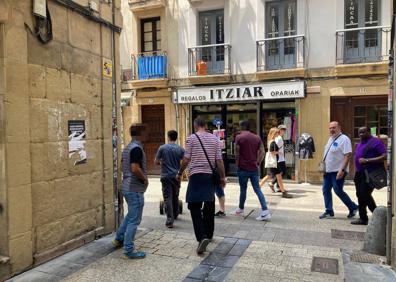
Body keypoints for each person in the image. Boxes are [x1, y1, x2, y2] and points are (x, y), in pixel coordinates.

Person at [176, 117, 226, 255]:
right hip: (210, 176)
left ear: (195, 126)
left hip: (196, 175)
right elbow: (219, 161)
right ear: (205, 125)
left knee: (194, 206)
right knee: (209, 204)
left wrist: (180, 173)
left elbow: (186, 159)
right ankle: (209, 235)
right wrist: (222, 177)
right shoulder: (215, 139)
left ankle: (202, 237)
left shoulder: (191, 138)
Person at [113, 124, 148, 259]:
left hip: (127, 186)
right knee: (135, 220)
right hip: (135, 189)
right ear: (140, 134)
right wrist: (145, 179)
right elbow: (134, 168)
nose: (148, 135)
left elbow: (122, 166)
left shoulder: (128, 148)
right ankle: (129, 250)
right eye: (146, 132)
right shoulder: (136, 149)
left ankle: (118, 238)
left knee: (129, 216)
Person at [232, 120, 271, 221]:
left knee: (243, 189)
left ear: (241, 127)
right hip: (254, 168)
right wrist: (257, 162)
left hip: (242, 168)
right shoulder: (257, 137)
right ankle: (265, 211)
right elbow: (262, 152)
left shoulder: (239, 137)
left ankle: (240, 209)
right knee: (257, 189)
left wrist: (237, 164)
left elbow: (236, 153)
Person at [319, 121, 358, 219]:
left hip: (337, 171)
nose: (332, 129)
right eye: (330, 128)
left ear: (339, 128)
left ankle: (353, 207)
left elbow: (347, 155)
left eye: (334, 127)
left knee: (338, 190)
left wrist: (342, 170)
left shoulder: (344, 139)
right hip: (328, 171)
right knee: (325, 190)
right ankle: (329, 211)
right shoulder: (330, 139)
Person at [351, 126, 386, 225]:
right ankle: (363, 219)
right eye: (359, 132)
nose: (361, 134)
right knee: (360, 195)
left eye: (363, 132)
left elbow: (384, 156)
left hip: (370, 173)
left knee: (365, 194)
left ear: (369, 132)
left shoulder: (376, 142)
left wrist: (367, 160)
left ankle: (379, 217)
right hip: (359, 173)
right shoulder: (359, 143)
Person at [155, 130, 185, 228]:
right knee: (175, 195)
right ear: (176, 137)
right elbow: (185, 161)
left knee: (167, 197)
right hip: (176, 176)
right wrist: (180, 172)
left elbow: (156, 161)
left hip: (165, 176)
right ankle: (175, 214)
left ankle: (169, 220)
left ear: (168, 137)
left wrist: (162, 162)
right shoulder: (180, 149)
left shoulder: (162, 148)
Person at [270, 125, 292, 197]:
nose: (284, 131)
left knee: (280, 173)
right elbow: (274, 148)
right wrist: (279, 153)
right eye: (282, 130)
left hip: (280, 157)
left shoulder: (279, 138)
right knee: (281, 172)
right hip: (279, 158)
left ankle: (278, 186)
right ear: (279, 130)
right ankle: (273, 184)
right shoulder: (278, 138)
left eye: (284, 130)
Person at [259, 127, 278, 192]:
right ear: (274, 134)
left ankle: (271, 184)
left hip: (270, 160)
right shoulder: (272, 142)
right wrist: (278, 152)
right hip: (272, 160)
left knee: (271, 175)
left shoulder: (269, 141)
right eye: (276, 133)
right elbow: (273, 152)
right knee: (270, 175)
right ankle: (260, 185)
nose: (277, 134)